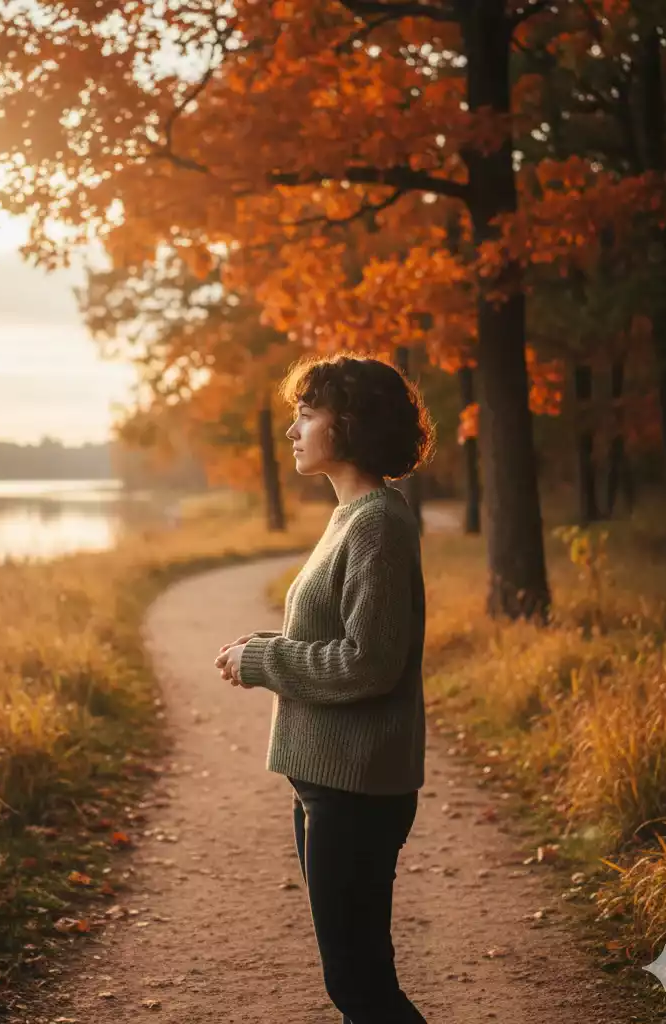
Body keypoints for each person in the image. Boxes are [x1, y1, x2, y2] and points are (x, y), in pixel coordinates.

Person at [214, 352, 435, 1024]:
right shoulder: (350, 518)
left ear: (352, 425)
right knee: (356, 982)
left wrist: (264, 662)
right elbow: (336, 633)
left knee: (362, 988)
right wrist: (267, 646)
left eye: (307, 415)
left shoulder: (377, 524)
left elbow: (371, 662)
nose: (293, 430)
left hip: (357, 791)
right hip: (328, 783)